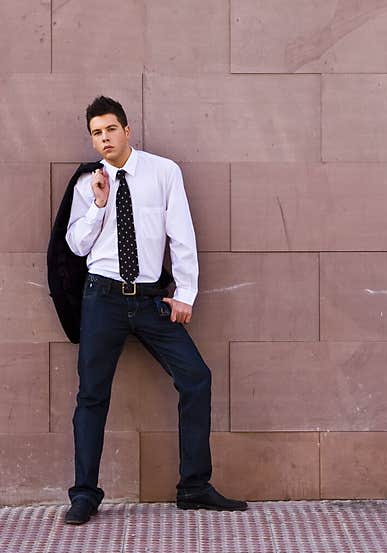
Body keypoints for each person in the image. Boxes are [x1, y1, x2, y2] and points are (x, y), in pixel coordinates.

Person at [63, 95, 247, 524]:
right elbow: (75, 246)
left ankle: (194, 487)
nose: (104, 138)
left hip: (148, 300)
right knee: (92, 395)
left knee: (196, 378)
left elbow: (181, 233)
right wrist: (98, 205)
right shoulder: (87, 184)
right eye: (96, 133)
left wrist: (186, 293)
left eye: (110, 129)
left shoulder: (164, 172)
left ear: (127, 131)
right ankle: (85, 495)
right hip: (101, 298)